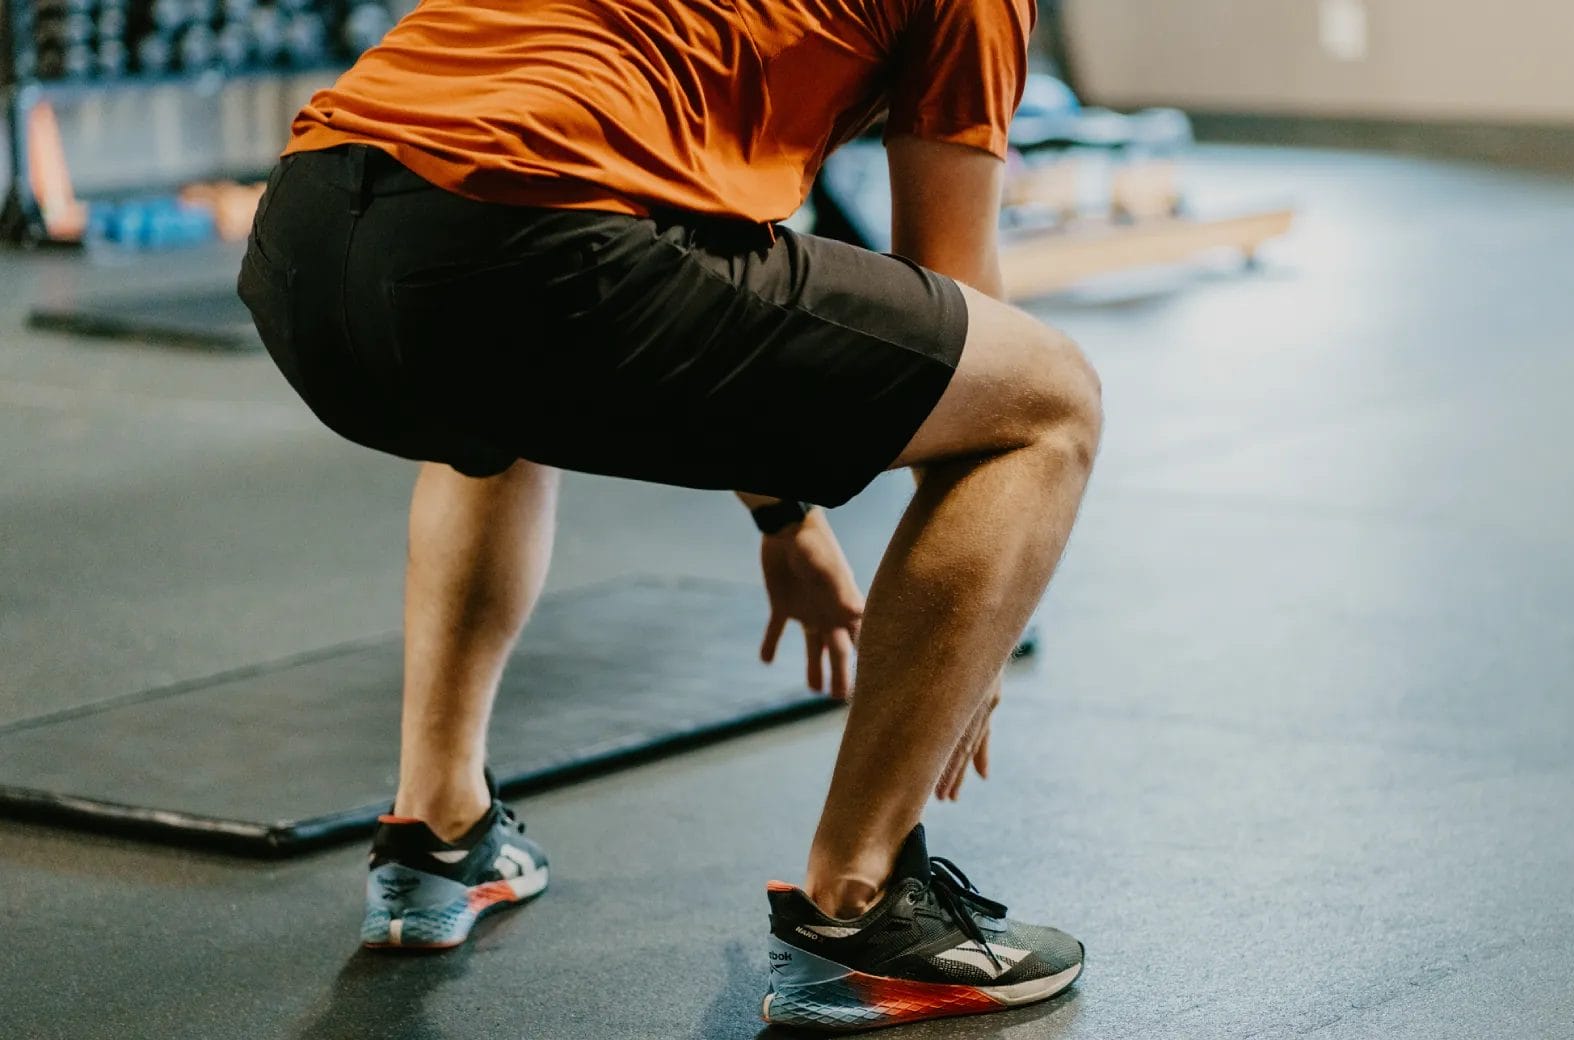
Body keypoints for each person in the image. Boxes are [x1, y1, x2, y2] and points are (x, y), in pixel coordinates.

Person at [237, 0, 1101, 1029]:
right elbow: (960, 311)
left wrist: (784, 518)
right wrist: (969, 640)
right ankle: (857, 912)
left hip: (309, 236)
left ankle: (437, 834)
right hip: (520, 244)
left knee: (498, 389)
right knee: (1049, 398)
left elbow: (668, 202)